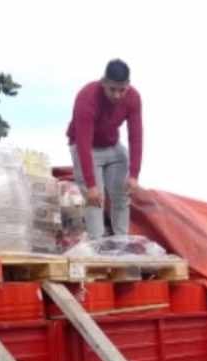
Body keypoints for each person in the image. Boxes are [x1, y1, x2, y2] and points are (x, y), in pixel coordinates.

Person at [66, 59, 143, 238]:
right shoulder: (87, 97)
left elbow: (136, 137)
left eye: (121, 90)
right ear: (103, 83)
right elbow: (83, 142)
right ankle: (97, 248)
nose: (117, 95)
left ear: (128, 86)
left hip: (112, 146)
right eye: (112, 89)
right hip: (86, 148)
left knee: (122, 196)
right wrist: (91, 185)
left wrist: (134, 175)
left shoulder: (133, 98)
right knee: (95, 200)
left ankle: (122, 243)